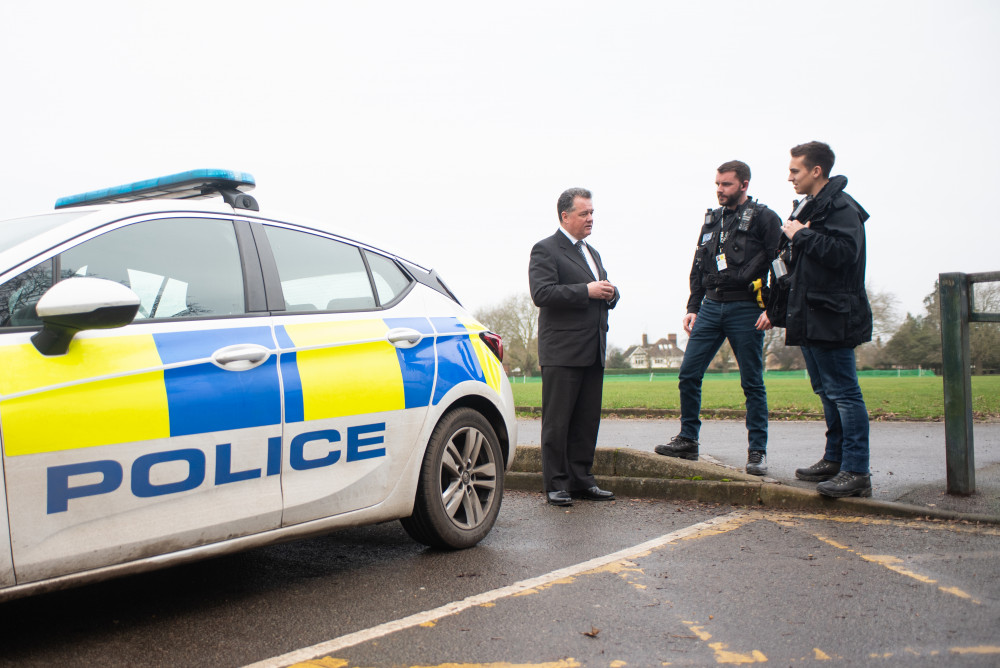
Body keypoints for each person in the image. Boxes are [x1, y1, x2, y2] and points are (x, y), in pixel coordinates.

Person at [654, 161, 782, 475]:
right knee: (688, 374)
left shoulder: (765, 218)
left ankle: (757, 452)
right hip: (710, 307)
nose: (720, 190)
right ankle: (688, 439)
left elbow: (780, 265)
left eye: (726, 184)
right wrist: (693, 306)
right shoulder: (713, 219)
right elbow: (699, 264)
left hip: (746, 308)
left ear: (744, 184)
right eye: (717, 184)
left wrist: (774, 309)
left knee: (752, 382)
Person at [768, 141, 873, 498]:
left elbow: (845, 253)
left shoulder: (842, 207)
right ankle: (834, 460)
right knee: (826, 391)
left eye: (795, 170)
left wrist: (802, 234)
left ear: (816, 171)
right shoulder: (811, 207)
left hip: (833, 316)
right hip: (810, 316)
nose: (789, 177)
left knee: (844, 393)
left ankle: (857, 471)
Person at [529, 188, 620, 506]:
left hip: (593, 348)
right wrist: (587, 290)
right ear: (565, 216)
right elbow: (542, 293)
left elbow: (601, 287)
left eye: (592, 213)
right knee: (558, 421)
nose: (590, 219)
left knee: (586, 419)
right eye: (584, 213)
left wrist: (610, 291)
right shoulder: (545, 250)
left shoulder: (591, 253)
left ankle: (582, 479)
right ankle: (556, 484)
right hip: (562, 352)